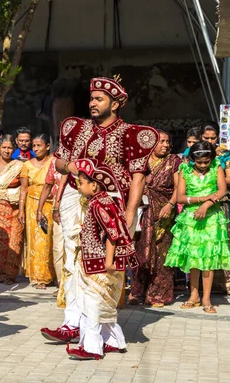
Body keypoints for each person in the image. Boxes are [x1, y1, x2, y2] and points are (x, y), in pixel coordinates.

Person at [41, 76, 159, 343]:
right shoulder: (75, 127)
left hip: (112, 204)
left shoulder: (133, 135)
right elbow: (58, 161)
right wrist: (70, 168)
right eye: (91, 98)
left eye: (98, 99)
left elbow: (138, 177)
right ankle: (72, 322)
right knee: (71, 258)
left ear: (115, 103)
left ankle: (100, 327)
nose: (92, 103)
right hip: (75, 195)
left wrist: (130, 215)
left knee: (104, 266)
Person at [66, 159, 139, 360]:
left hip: (100, 264)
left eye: (81, 183)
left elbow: (112, 235)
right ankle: (113, 341)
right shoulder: (103, 201)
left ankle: (92, 348)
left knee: (92, 304)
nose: (79, 186)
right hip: (98, 261)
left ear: (94, 184)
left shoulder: (100, 205)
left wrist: (108, 262)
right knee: (103, 302)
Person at [164, 141, 230, 314]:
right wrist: (200, 200)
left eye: (206, 162)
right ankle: (193, 295)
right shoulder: (184, 171)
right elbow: (180, 197)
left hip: (211, 220)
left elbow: (222, 190)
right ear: (192, 159)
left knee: (208, 259)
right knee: (193, 259)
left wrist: (206, 205)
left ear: (211, 159)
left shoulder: (217, 168)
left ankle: (206, 298)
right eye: (199, 162)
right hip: (190, 219)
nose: (202, 165)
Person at [130, 130, 180, 307]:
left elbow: (178, 188)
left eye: (168, 141)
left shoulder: (174, 161)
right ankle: (137, 292)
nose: (166, 145)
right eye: (161, 141)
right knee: (140, 251)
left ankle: (159, 294)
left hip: (163, 211)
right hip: (142, 212)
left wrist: (170, 205)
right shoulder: (141, 161)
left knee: (161, 253)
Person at [19, 133, 56, 289]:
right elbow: (23, 190)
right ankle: (39, 277)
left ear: (47, 146)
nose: (35, 148)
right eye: (33, 146)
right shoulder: (27, 165)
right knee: (37, 241)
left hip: (51, 204)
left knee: (52, 240)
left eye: (38, 145)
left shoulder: (54, 162)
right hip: (33, 205)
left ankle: (54, 274)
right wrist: (21, 210)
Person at [0, 135, 24, 285]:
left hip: (13, 208)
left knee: (13, 240)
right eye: (4, 147)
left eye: (10, 148)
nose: (7, 151)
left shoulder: (20, 165)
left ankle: (9, 275)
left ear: (14, 150)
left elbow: (24, 188)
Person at [38, 155, 65, 304]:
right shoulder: (55, 162)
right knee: (58, 247)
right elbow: (48, 185)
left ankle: (75, 284)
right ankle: (61, 284)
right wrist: (39, 209)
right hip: (57, 206)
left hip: (80, 203)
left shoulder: (81, 158)